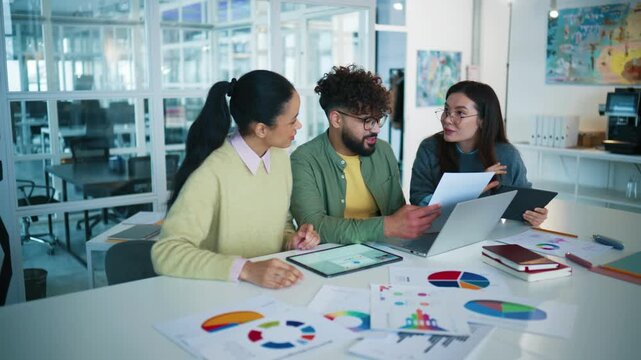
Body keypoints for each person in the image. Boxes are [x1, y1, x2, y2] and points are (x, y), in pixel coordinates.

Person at [152, 70, 320, 289]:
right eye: (293, 120)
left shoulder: (279, 157)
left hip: (269, 292)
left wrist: (292, 239)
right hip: (216, 295)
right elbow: (167, 252)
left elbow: (280, 225)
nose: (298, 126)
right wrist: (246, 269)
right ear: (261, 129)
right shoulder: (211, 172)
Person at [290, 65, 441, 244]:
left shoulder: (383, 151)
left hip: (386, 252)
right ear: (337, 119)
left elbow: (396, 215)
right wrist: (386, 226)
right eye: (367, 121)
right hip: (332, 257)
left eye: (378, 119)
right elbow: (314, 227)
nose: (376, 128)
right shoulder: (304, 160)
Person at [410, 80, 548, 227]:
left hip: (491, 235)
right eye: (446, 110)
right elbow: (419, 200)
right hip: (438, 232)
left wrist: (534, 215)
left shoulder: (507, 155)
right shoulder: (430, 148)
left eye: (460, 113)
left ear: (483, 120)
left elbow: (523, 202)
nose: (447, 119)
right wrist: (473, 187)